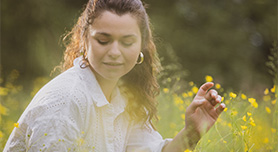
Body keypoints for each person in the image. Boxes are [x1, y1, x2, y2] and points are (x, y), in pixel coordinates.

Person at [4, 0, 226, 151]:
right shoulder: (65, 101)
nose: (114, 52)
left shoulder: (125, 95)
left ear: (142, 45)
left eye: (127, 42)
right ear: (85, 40)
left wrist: (192, 133)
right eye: (103, 40)